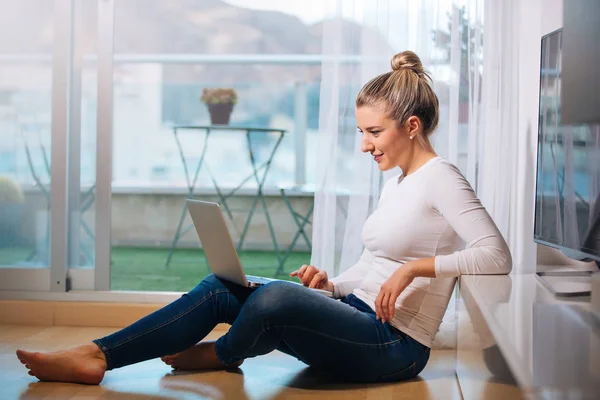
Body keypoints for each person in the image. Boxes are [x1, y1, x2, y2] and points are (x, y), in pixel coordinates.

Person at [16, 50, 512, 385]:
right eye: (361, 131)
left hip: (396, 344)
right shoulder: (397, 181)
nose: (364, 145)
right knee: (220, 286)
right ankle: (98, 355)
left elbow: (497, 256)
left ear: (411, 126)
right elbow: (375, 262)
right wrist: (331, 287)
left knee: (273, 298)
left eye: (373, 132)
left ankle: (223, 354)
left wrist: (415, 269)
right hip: (357, 315)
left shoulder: (442, 177)